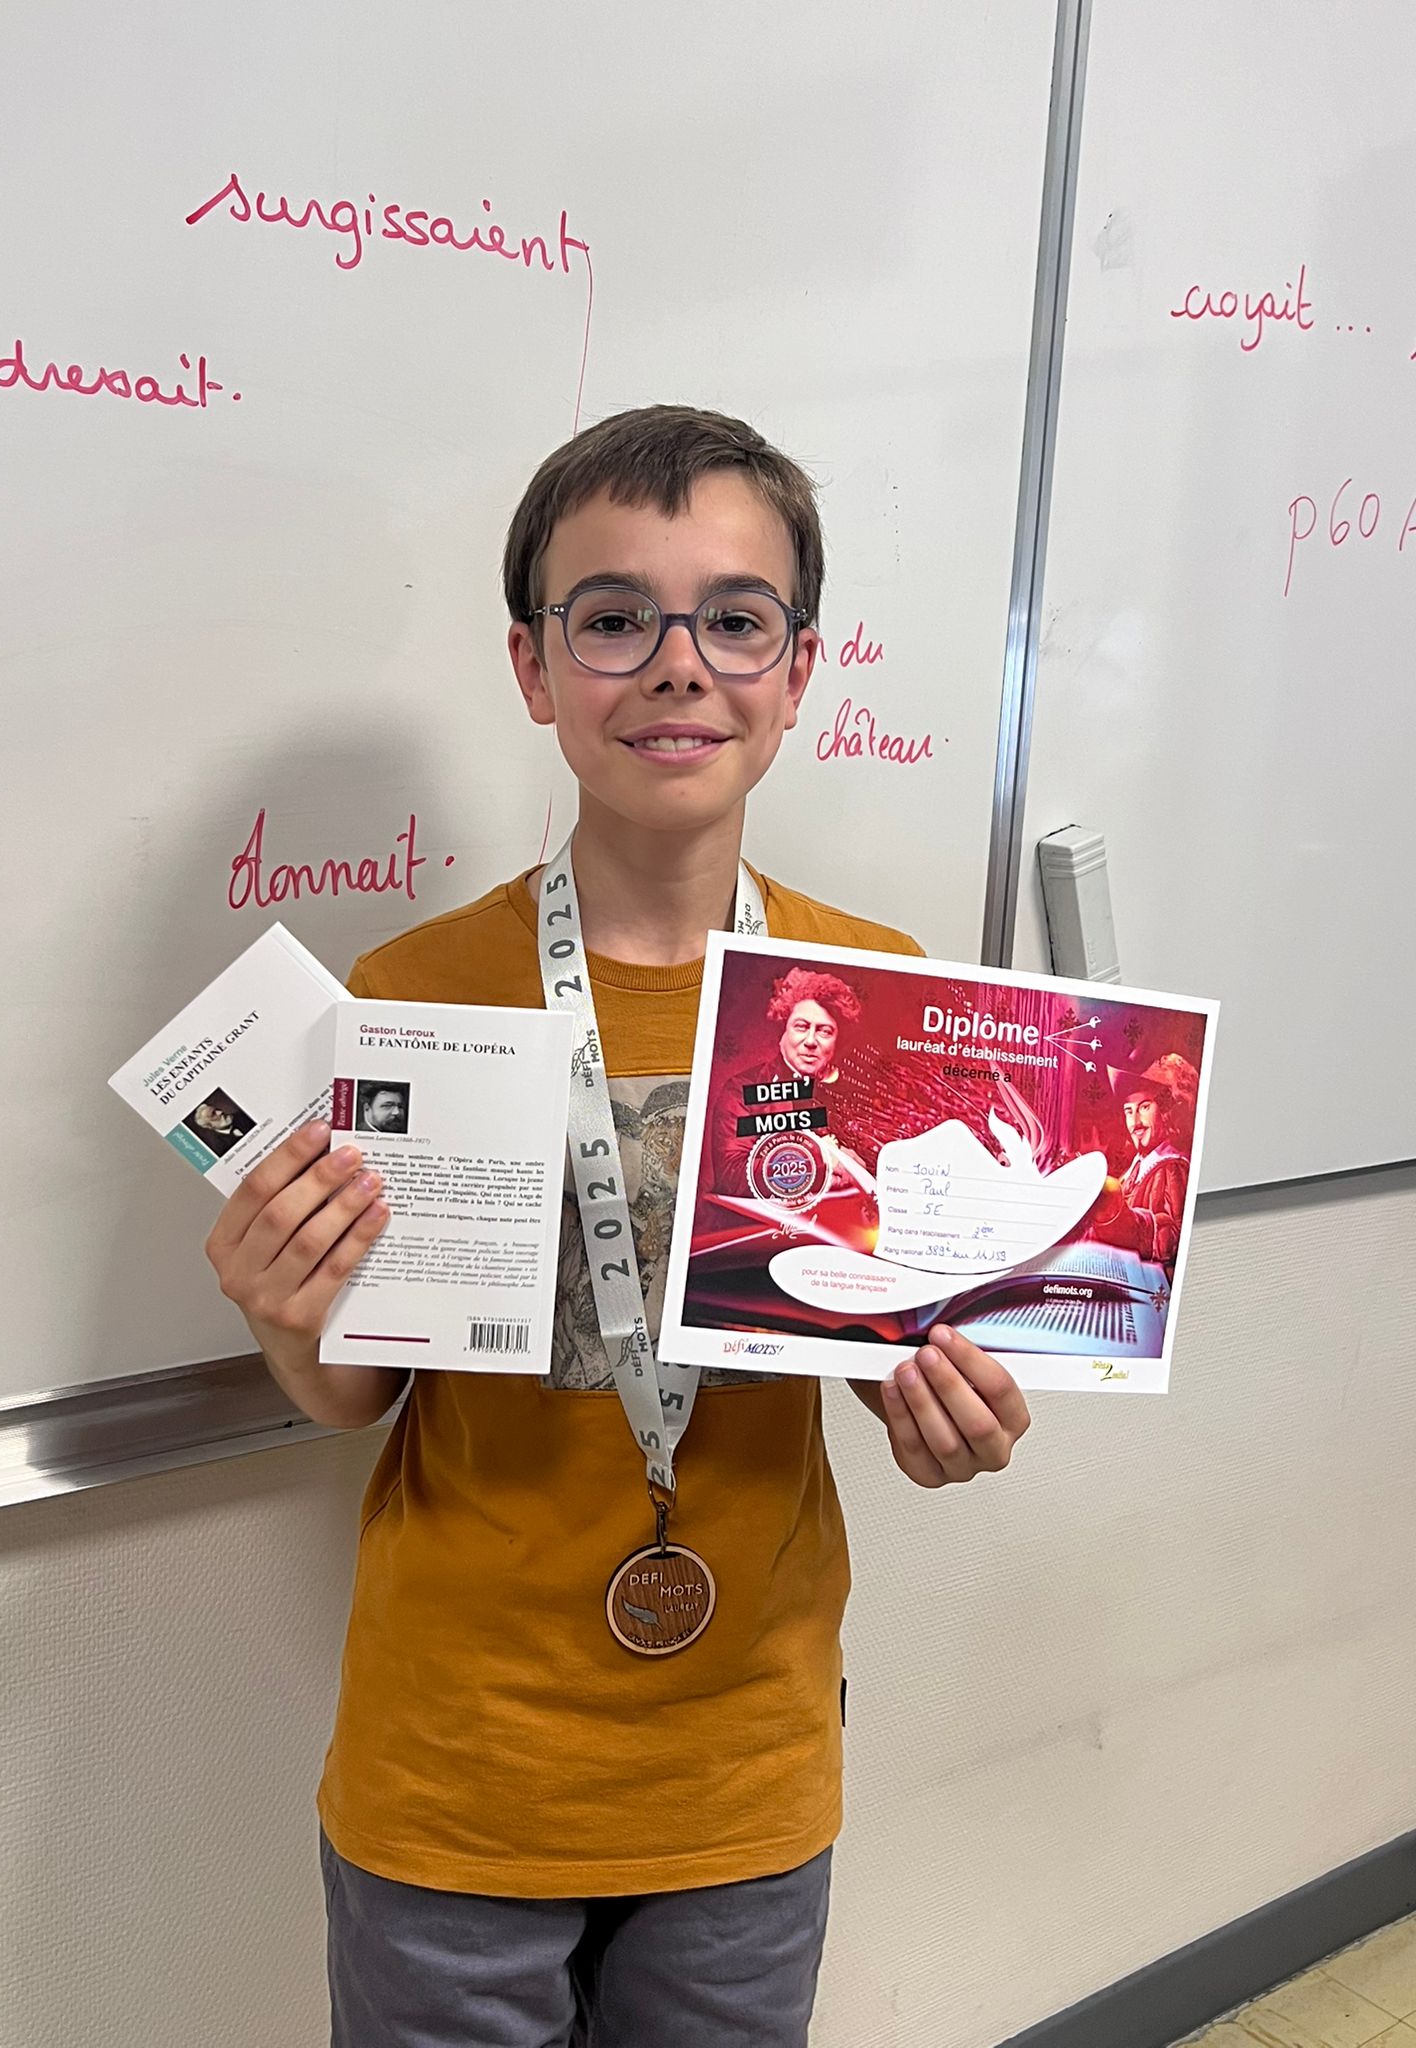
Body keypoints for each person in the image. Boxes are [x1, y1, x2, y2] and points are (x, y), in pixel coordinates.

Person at [202, 405, 1032, 2048]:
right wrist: (285, 1312)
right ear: (534, 666)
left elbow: (877, 1338)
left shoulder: (873, 995)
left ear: (799, 670)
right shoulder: (413, 992)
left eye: (735, 618)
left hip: (741, 1768)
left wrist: (942, 1411)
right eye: (613, 618)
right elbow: (359, 1395)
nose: (677, 666)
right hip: (458, 1771)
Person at [710, 965, 869, 1198]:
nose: (811, 1041)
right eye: (801, 1027)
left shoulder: (851, 1094)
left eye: (824, 1031)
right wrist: (818, 1162)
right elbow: (731, 1175)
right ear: (783, 1030)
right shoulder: (743, 1091)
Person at [1086, 1053, 1198, 1267]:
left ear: (1165, 1111)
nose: (1135, 1122)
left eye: (1145, 1107)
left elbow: (1175, 1239)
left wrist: (1123, 1216)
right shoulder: (1134, 1168)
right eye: (1129, 1111)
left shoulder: (1173, 1167)